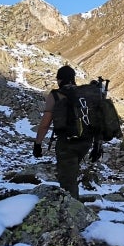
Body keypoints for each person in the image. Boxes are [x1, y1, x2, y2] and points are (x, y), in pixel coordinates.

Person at [33, 65, 92, 200]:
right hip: (86, 141)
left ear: (60, 80)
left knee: (67, 180)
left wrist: (38, 144)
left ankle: (74, 212)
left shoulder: (55, 95)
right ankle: (75, 205)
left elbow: (45, 124)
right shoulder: (84, 93)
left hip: (67, 142)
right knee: (72, 173)